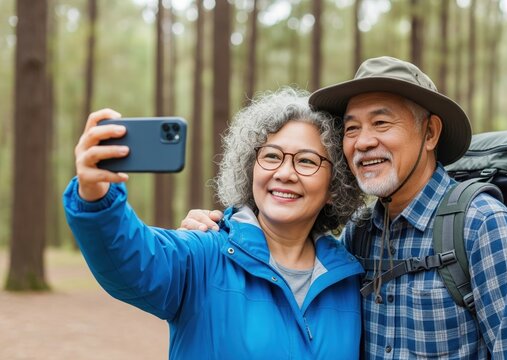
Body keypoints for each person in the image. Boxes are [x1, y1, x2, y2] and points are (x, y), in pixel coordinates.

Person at [181, 57, 507, 359]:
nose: (363, 142)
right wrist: (218, 229)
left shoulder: (484, 228)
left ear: (430, 134)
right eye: (352, 128)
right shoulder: (359, 234)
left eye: (381, 122)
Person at [63, 87, 366, 359]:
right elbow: (131, 257)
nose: (285, 173)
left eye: (306, 161)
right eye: (272, 156)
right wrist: (96, 195)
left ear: (335, 187)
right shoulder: (203, 255)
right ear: (251, 170)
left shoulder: (350, 277)